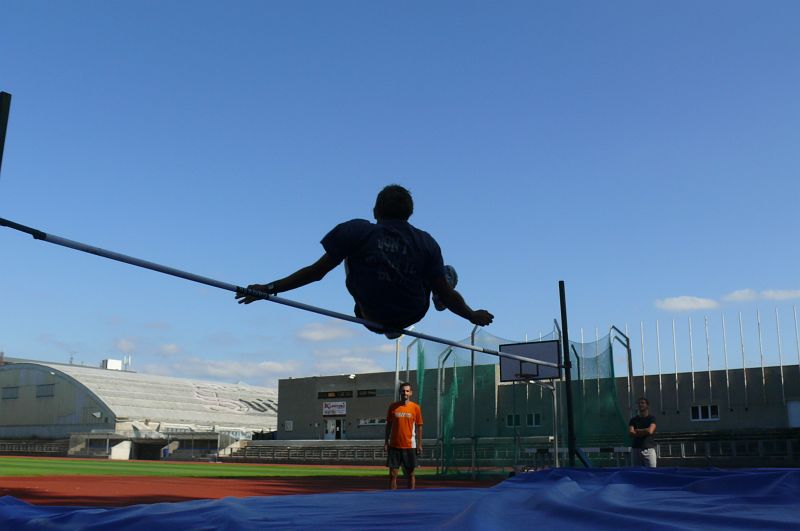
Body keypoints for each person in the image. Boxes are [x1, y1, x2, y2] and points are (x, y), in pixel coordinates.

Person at [235, 184, 493, 338]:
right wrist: (471, 315)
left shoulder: (358, 231)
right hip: (412, 313)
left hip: (370, 316)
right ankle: (431, 291)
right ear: (410, 214)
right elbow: (449, 295)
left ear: (375, 211)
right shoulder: (427, 242)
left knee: (348, 251)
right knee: (439, 276)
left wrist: (269, 288)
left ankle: (395, 316)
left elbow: (316, 273)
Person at [385, 382, 423, 489]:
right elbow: (388, 425)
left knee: (410, 474)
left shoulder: (415, 407)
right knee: (393, 474)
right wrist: (386, 442)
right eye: (403, 391)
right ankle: (392, 496)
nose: (405, 393)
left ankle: (411, 495)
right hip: (394, 445)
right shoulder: (393, 407)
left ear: (410, 393)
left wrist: (419, 444)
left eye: (407, 391)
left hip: (410, 446)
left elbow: (420, 426)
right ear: (400, 392)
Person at [628, 397, 657, 467]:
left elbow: (650, 431)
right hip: (636, 449)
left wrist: (638, 431)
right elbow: (631, 433)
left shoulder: (652, 418)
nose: (640, 404)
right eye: (639, 403)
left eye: (642, 403)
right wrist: (645, 431)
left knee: (651, 471)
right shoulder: (633, 420)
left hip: (649, 450)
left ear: (647, 405)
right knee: (637, 472)